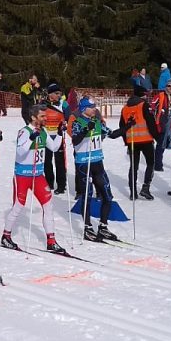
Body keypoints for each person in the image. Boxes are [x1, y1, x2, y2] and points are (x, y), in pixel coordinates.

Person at [0, 104, 65, 254]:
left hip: (38, 176)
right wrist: (31, 138)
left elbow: (54, 147)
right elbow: (20, 152)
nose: (45, 118)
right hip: (23, 175)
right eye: (42, 116)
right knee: (18, 206)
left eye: (45, 116)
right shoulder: (24, 131)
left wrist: (60, 133)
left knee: (48, 205)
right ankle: (6, 236)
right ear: (33, 117)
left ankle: (51, 241)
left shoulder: (43, 131)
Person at [71, 97, 128, 242]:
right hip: (84, 164)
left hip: (97, 163)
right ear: (84, 109)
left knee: (107, 196)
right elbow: (75, 141)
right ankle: (87, 227)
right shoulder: (78, 123)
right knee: (87, 196)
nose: (95, 109)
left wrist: (128, 127)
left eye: (95, 106)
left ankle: (103, 227)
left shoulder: (97, 122)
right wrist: (85, 130)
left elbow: (113, 134)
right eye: (92, 107)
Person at [120, 85, 160, 200]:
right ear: (142, 95)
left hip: (132, 141)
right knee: (150, 164)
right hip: (146, 140)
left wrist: (126, 141)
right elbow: (151, 123)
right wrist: (158, 138)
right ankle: (145, 187)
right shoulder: (144, 105)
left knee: (133, 166)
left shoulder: (125, 108)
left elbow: (122, 126)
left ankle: (133, 192)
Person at [40, 83, 68, 195]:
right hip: (46, 136)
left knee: (60, 162)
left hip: (58, 136)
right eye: (56, 93)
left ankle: (61, 185)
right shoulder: (42, 104)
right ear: (50, 94)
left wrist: (65, 123)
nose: (59, 95)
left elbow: (69, 117)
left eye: (60, 93)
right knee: (47, 161)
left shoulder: (63, 104)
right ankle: (49, 183)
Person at [152, 79, 171, 173]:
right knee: (161, 145)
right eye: (169, 86)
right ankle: (157, 164)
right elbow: (152, 106)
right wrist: (156, 115)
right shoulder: (160, 95)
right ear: (166, 86)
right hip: (163, 123)